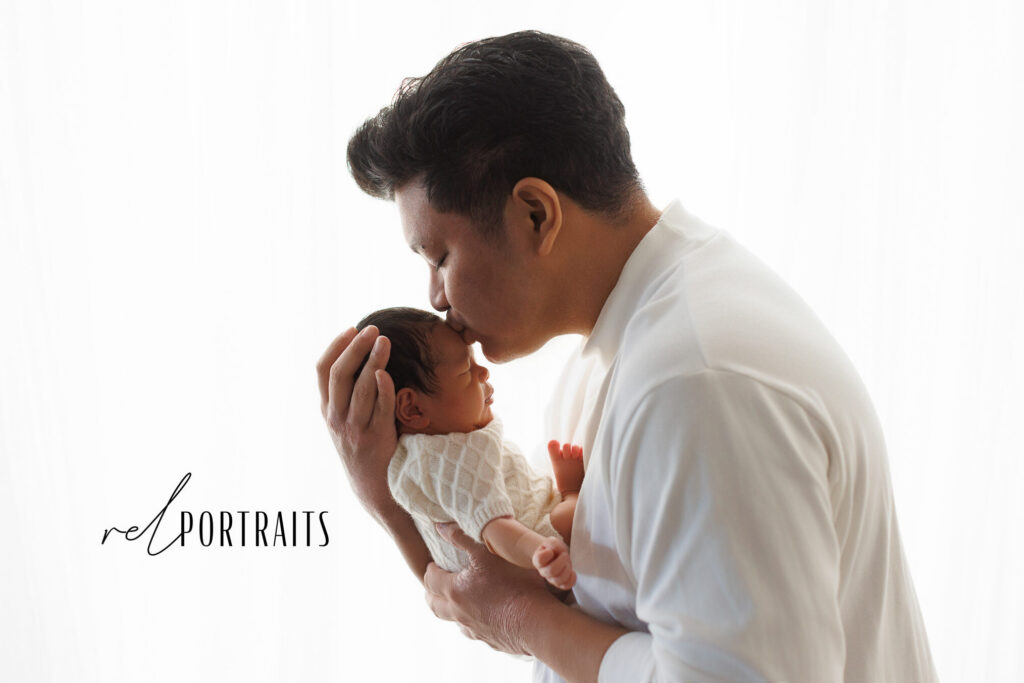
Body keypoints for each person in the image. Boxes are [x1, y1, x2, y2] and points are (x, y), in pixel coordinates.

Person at [317, 30, 937, 682]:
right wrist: (384, 489)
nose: (435, 297)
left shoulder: (696, 379)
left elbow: (546, 619)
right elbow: (515, 589)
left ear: (535, 214)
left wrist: (524, 619)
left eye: (440, 255)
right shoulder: (615, 349)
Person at [355, 306, 583, 591]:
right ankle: (571, 495)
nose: (484, 371)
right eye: (466, 371)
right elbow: (495, 530)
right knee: (579, 516)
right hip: (524, 553)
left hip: (509, 555)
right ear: (413, 408)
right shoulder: (449, 458)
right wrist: (541, 551)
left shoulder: (424, 454)